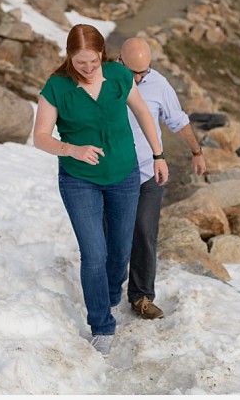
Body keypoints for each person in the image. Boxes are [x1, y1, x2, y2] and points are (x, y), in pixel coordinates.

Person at [32, 24, 168, 357]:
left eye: (93, 61)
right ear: (69, 57)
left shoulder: (120, 76)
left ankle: (107, 295)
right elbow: (40, 137)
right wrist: (71, 149)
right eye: (81, 63)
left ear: (102, 54)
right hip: (79, 179)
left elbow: (144, 115)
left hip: (124, 175)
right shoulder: (56, 88)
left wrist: (158, 154)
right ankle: (101, 325)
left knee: (120, 250)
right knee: (94, 254)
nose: (88, 68)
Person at [119, 37, 207, 320]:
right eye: (132, 71)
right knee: (114, 235)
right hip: (113, 174)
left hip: (148, 172)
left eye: (142, 72)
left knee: (144, 233)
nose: (137, 78)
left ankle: (141, 297)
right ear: (119, 60)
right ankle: (105, 293)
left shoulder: (158, 85)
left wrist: (196, 151)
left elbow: (177, 120)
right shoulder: (105, 79)